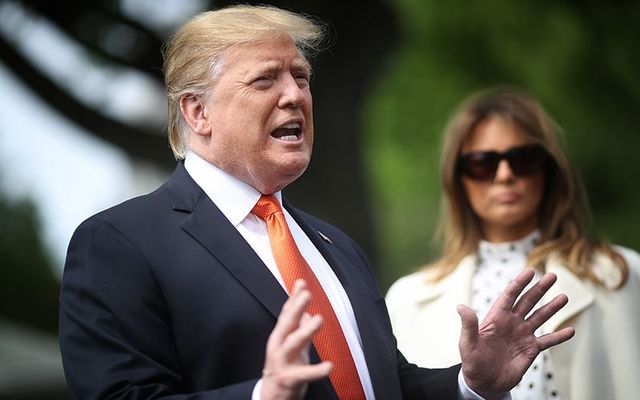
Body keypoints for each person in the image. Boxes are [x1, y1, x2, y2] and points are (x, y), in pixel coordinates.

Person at [58, 7, 574, 400]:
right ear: (197, 112)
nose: (295, 96)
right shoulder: (120, 243)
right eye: (265, 80)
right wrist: (264, 395)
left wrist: (469, 383)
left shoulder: (336, 245)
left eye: (300, 78)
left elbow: (384, 383)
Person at [385, 86, 640, 400]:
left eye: (523, 160)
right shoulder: (406, 300)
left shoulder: (622, 274)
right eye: (482, 163)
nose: (504, 175)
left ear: (549, 170)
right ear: (458, 179)